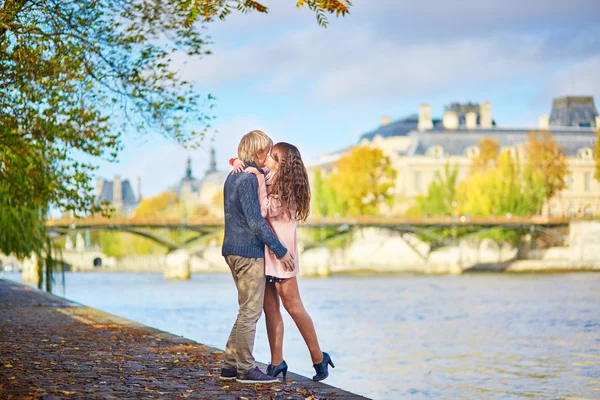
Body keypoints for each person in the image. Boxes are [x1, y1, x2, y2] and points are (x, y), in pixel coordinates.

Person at [231, 142, 334, 382]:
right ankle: (276, 362)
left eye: (271, 157)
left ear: (281, 165)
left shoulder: (286, 188)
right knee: (270, 308)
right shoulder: (268, 176)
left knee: (293, 306)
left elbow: (264, 210)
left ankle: (319, 357)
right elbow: (246, 166)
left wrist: (256, 178)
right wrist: (237, 163)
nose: (266, 158)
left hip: (282, 256)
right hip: (265, 255)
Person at [221, 130, 295, 384]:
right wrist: (280, 249)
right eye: (265, 151)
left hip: (231, 249)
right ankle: (246, 369)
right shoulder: (250, 180)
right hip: (248, 252)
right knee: (250, 313)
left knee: (245, 310)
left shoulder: (234, 176)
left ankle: (230, 365)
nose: (267, 156)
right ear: (255, 152)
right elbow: (256, 222)